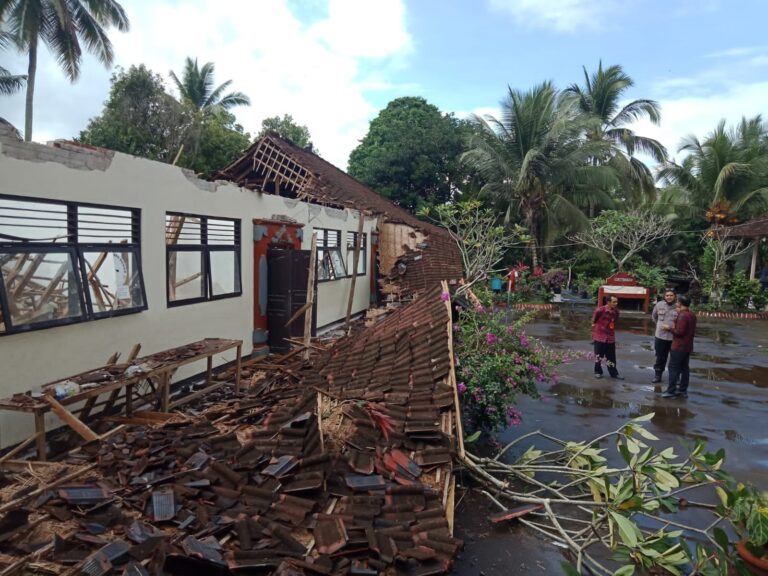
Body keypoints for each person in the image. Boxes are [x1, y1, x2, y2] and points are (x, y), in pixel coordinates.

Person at [661, 294, 697, 399]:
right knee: (684, 368)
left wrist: (669, 328)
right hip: (687, 346)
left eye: (677, 301)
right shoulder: (691, 314)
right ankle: (682, 390)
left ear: (680, 303)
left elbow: (679, 332)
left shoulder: (682, 315)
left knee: (673, 368)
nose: (676, 303)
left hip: (679, 346)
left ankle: (671, 391)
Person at [591, 295, 624, 379]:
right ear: (608, 302)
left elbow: (615, 321)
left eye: (616, 302)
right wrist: (594, 333)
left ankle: (614, 373)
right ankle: (598, 372)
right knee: (598, 356)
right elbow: (594, 321)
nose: (616, 304)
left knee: (611, 357)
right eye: (614, 302)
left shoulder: (616, 312)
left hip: (610, 337)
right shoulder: (600, 310)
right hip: (599, 336)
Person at [650, 289, 678, 383]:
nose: (669, 297)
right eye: (667, 295)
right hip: (660, 336)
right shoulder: (659, 305)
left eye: (671, 295)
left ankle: (675, 377)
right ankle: (658, 375)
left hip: (674, 337)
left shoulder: (678, 306)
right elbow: (654, 317)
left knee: (675, 358)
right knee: (660, 358)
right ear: (664, 297)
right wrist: (659, 325)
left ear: (675, 296)